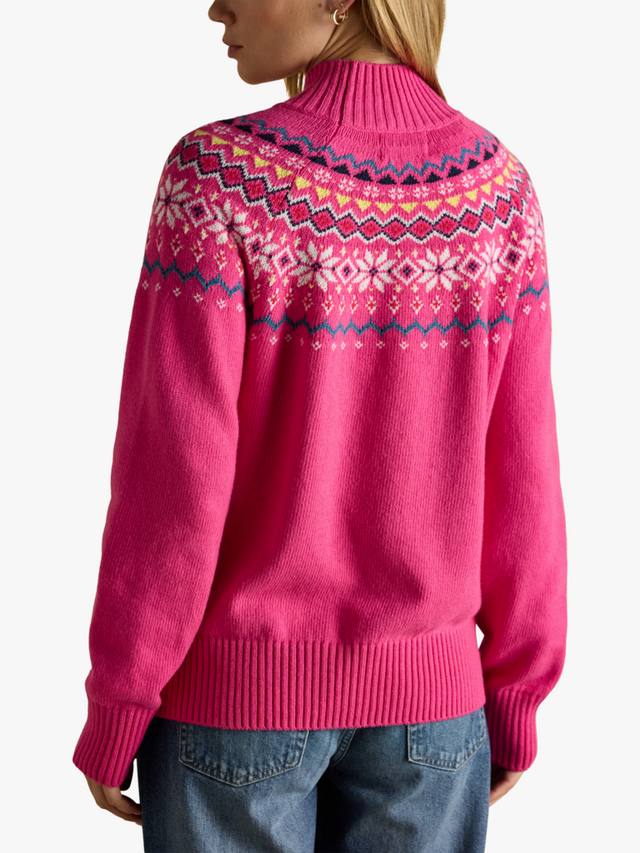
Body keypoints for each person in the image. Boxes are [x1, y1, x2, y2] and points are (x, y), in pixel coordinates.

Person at [72, 1, 568, 850]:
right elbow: (524, 469)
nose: (217, 7)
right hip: (434, 720)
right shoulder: (499, 191)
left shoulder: (220, 178)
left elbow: (173, 478)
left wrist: (122, 694)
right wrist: (518, 684)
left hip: (234, 707)